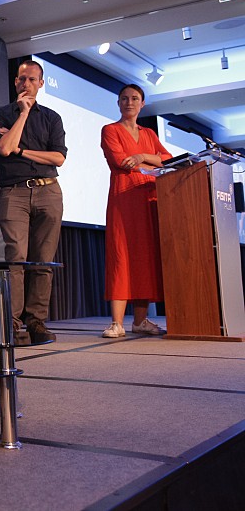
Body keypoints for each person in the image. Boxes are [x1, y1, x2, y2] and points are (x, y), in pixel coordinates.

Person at [0, 60, 67, 344]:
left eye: (32, 79)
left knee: (43, 262)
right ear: (15, 82)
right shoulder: (0, 114)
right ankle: (12, 324)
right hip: (14, 193)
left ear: (41, 83)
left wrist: (22, 150)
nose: (26, 84)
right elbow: (4, 148)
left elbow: (58, 158)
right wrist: (22, 114)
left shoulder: (52, 118)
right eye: (22, 79)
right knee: (15, 259)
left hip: (48, 191)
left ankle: (37, 322)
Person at [100, 84, 171, 338]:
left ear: (142, 104)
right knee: (121, 255)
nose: (129, 102)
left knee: (145, 257)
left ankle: (140, 321)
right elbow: (120, 160)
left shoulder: (148, 133)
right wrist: (150, 160)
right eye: (124, 98)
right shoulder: (110, 130)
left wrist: (141, 157)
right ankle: (117, 323)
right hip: (124, 198)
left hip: (148, 197)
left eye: (134, 98)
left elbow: (167, 158)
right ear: (118, 103)